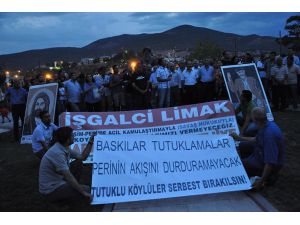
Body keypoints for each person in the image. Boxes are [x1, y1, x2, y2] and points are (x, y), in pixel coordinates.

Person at [230, 107, 285, 190]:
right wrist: (239, 138)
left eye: (252, 119)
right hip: (260, 153)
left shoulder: (269, 136)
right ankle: (250, 166)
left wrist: (261, 181)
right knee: (242, 145)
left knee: (238, 165)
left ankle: (268, 176)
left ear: (256, 120)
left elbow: (270, 162)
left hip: (268, 163)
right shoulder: (266, 125)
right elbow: (256, 139)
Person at [39, 127, 95, 203]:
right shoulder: (57, 153)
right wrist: (83, 193)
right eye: (72, 135)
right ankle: (59, 201)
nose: (74, 137)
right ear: (68, 139)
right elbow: (68, 176)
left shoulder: (63, 147)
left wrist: (90, 141)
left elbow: (82, 157)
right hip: (50, 190)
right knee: (87, 189)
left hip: (58, 181)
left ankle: (71, 191)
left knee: (78, 163)